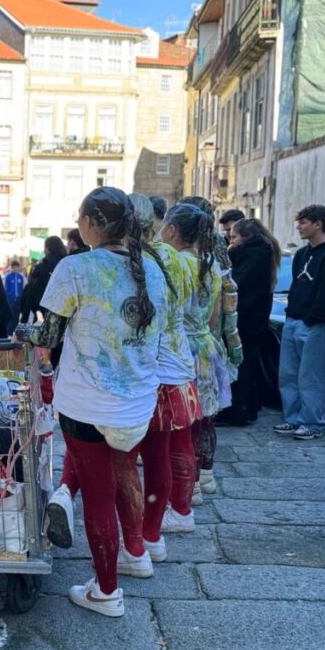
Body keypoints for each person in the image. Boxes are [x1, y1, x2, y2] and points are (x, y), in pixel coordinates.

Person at [18, 187, 167, 618]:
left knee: (98, 496)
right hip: (137, 401)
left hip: (86, 403)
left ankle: (106, 591)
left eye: (80, 217)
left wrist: (22, 334)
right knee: (125, 477)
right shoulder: (152, 268)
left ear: (92, 223)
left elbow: (48, 338)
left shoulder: (75, 266)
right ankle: (134, 553)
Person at [129, 194, 199, 562]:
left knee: (137, 459)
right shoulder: (181, 258)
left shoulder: (142, 259)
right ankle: (153, 534)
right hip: (177, 365)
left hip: (151, 370)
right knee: (165, 455)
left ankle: (141, 540)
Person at [158, 203, 224, 531]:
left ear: (171, 230)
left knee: (178, 432)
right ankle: (201, 479)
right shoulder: (210, 265)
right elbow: (214, 317)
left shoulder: (174, 262)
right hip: (205, 346)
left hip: (177, 349)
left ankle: (183, 495)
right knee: (202, 421)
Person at [273, 205, 325, 440]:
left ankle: (313, 422)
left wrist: (313, 317)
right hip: (293, 320)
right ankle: (294, 419)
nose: (299, 227)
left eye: (303, 222)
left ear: (318, 224)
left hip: (316, 325)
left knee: (312, 377)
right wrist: (292, 312)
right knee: (289, 374)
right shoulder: (302, 254)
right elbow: (296, 284)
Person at [220, 218, 281, 426]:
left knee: (241, 367)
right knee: (244, 366)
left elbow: (236, 283)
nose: (231, 240)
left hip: (245, 322)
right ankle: (242, 408)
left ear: (246, 237)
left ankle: (239, 409)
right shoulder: (259, 252)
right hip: (250, 321)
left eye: (235, 236)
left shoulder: (254, 254)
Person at [19, 236, 68, 324]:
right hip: (64, 310)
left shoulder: (43, 266)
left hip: (43, 311)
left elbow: (32, 289)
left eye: (44, 247)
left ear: (48, 249)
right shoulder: (67, 263)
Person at [3, 260, 25, 336]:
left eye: (16, 267)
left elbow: (22, 287)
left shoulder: (21, 277)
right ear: (11, 267)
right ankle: (9, 332)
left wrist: (21, 297)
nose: (15, 269)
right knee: (10, 316)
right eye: (13, 267)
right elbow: (5, 288)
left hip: (18, 300)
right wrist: (8, 297)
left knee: (16, 316)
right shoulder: (8, 276)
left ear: (18, 267)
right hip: (10, 300)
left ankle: (15, 332)